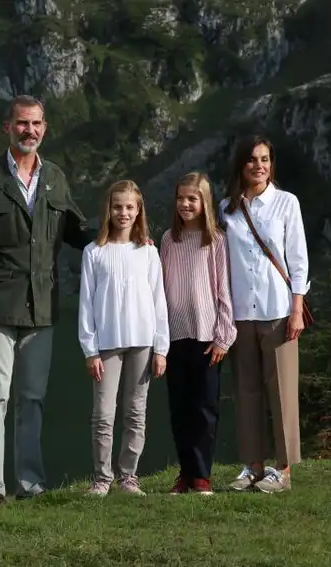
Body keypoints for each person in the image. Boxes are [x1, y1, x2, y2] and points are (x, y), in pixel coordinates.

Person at [0, 95, 97, 506]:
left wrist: (124, 240)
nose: (29, 131)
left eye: (35, 124)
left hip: (43, 307)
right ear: (7, 128)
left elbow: (76, 230)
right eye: (21, 124)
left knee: (32, 399)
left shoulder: (55, 178)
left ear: (45, 128)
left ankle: (31, 485)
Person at [218, 134, 310, 493]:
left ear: (272, 164)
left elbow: (298, 259)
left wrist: (297, 309)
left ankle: (283, 470)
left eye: (265, 159)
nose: (259, 166)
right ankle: (252, 466)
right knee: (247, 392)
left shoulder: (286, 203)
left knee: (282, 392)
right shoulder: (227, 207)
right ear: (241, 165)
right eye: (252, 160)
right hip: (241, 312)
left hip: (277, 310)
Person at [78, 180, 169, 497]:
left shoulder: (148, 252)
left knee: (135, 411)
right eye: (118, 206)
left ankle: (128, 477)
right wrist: (90, 350)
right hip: (106, 345)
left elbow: (159, 303)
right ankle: (102, 479)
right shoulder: (94, 252)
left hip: (143, 342)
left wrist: (161, 349)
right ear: (108, 210)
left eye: (130, 207)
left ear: (138, 210)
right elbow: (86, 304)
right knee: (103, 414)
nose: (123, 213)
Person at [159, 172, 236, 496]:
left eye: (192, 199)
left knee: (204, 408)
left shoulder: (216, 240)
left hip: (207, 336)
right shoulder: (168, 239)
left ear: (204, 202)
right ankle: (186, 473)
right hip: (175, 336)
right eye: (181, 198)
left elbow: (224, 291)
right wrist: (158, 339)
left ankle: (202, 476)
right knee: (180, 408)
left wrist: (223, 335)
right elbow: (158, 288)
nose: (186, 204)